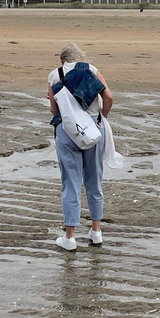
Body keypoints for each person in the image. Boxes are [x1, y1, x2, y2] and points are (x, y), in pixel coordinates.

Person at [47, 43, 113, 251]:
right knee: (95, 181)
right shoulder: (91, 70)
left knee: (71, 183)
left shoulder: (54, 75)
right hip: (94, 128)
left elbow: (54, 110)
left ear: (62, 60)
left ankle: (70, 237)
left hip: (67, 132)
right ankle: (96, 232)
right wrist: (101, 119)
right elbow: (108, 97)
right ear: (80, 57)